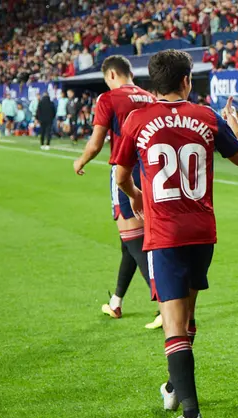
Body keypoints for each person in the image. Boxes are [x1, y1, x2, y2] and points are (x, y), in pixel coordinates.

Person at [112, 49, 238, 418]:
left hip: (165, 234)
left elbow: (121, 176)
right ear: (187, 81)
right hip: (202, 232)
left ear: (151, 83)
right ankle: (174, 386)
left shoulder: (136, 119)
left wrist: (137, 196)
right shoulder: (206, 116)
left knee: (174, 324)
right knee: (186, 319)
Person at [71, 55, 164, 330]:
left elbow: (96, 142)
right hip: (150, 171)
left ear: (111, 75)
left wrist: (80, 161)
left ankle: (164, 305)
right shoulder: (150, 97)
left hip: (125, 172)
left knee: (135, 240)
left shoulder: (108, 99)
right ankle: (116, 301)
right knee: (129, 242)